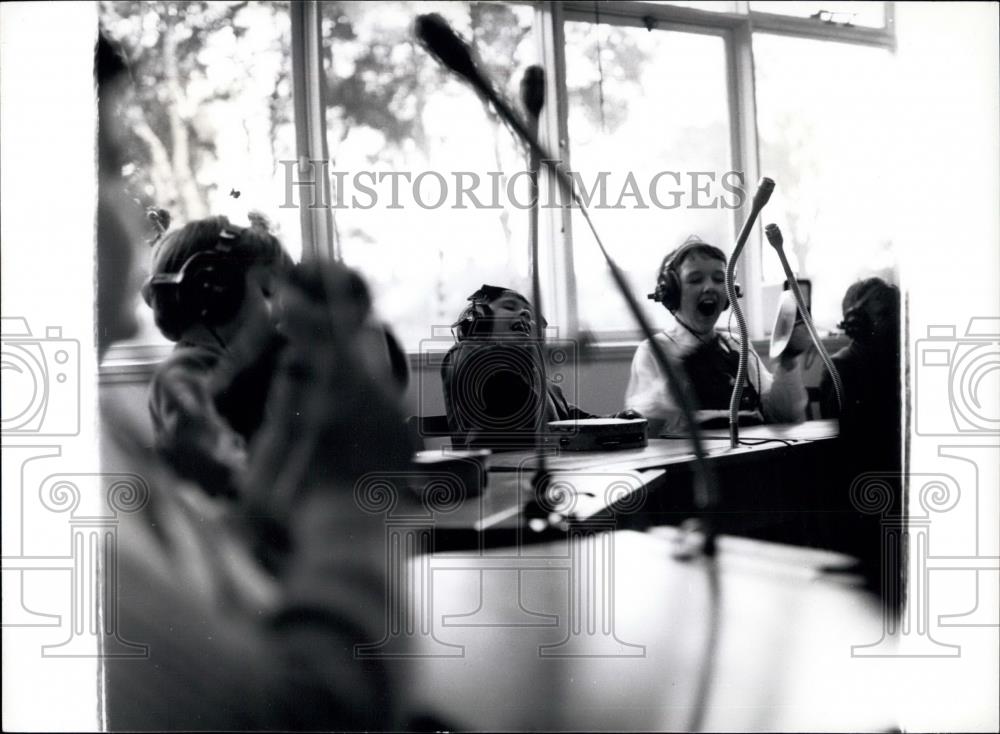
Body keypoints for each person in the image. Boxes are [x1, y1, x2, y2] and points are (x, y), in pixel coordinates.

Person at [97, 33, 413, 729]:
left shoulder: (101, 434)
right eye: (113, 167)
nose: (135, 209)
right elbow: (309, 713)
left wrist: (266, 502)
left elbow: (214, 578)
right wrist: (348, 498)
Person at [142, 214, 294, 499]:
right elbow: (222, 466)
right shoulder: (183, 372)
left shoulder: (243, 365)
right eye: (268, 291)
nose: (281, 310)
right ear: (213, 292)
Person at [625, 237, 808, 435]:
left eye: (720, 279)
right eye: (695, 279)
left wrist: (787, 363)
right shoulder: (655, 350)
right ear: (672, 292)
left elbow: (783, 416)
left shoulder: (738, 346)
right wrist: (678, 378)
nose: (710, 287)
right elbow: (646, 429)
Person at [441, 285, 637, 450]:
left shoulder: (545, 385)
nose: (526, 313)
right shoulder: (462, 356)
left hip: (544, 476)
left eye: (530, 314)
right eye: (509, 306)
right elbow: (504, 387)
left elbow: (572, 421)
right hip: (495, 479)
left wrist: (617, 421)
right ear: (480, 321)